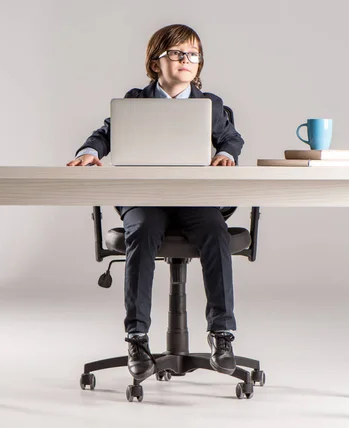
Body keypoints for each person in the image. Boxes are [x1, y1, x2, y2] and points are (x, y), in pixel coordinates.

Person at [67, 24, 245, 381]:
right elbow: (104, 134)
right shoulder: (135, 100)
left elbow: (232, 138)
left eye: (192, 54)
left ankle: (222, 334)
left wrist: (225, 153)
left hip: (192, 198)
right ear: (155, 61)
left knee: (214, 229)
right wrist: (89, 152)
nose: (186, 60)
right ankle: (137, 337)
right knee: (144, 229)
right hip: (144, 198)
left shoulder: (209, 104)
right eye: (177, 53)